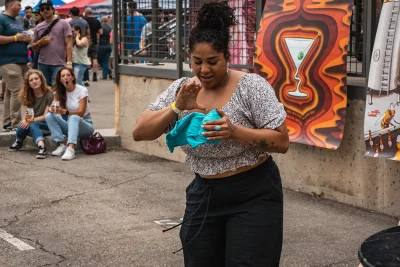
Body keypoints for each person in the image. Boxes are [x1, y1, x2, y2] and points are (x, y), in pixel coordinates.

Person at [132, 1, 289, 266]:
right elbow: (139, 132)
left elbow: (282, 141)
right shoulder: (183, 89)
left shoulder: (251, 86)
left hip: (254, 194)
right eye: (197, 62)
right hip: (203, 195)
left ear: (227, 56)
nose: (204, 70)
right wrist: (175, 108)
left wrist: (234, 131)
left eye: (212, 62)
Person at [45, 67, 94, 161]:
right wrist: (52, 109)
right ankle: (61, 144)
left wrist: (64, 111)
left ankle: (71, 149)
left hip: (86, 125)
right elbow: (54, 107)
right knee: (49, 116)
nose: (66, 77)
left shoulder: (82, 90)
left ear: (72, 77)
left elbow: (81, 112)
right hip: (71, 126)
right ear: (60, 80)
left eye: (68, 75)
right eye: (63, 76)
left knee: (74, 117)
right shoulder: (59, 92)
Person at [0, 0, 31, 131]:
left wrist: (25, 39)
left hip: (21, 60)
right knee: (18, 91)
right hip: (8, 60)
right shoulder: (1, 18)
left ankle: (7, 122)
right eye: (18, 5)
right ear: (10, 5)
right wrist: (15, 38)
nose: (20, 7)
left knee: (9, 92)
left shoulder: (18, 20)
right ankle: (16, 123)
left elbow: (19, 36)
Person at [9, 69, 54, 159]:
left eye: (36, 78)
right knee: (22, 125)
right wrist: (27, 120)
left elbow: (46, 116)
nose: (34, 81)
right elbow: (28, 114)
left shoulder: (49, 94)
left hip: (47, 125)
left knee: (32, 124)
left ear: (41, 79)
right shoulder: (27, 95)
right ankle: (19, 141)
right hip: (34, 123)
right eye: (31, 80)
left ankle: (42, 147)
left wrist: (30, 120)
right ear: (28, 83)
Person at [32, 0, 72, 87]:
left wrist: (69, 62)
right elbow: (34, 47)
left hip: (59, 63)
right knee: (45, 89)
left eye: (47, 8)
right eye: (42, 9)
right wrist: (40, 43)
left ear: (52, 9)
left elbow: (69, 44)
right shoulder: (38, 27)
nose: (45, 10)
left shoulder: (64, 23)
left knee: (57, 88)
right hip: (42, 63)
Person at [82, 8, 102, 85]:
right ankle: (94, 74)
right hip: (94, 42)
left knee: (86, 57)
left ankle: (87, 75)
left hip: (86, 41)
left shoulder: (84, 20)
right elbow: (101, 32)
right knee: (95, 58)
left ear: (86, 13)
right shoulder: (96, 21)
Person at [98, 16, 112, 80]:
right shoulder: (110, 27)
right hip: (109, 45)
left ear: (101, 20)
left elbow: (98, 36)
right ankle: (108, 72)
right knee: (106, 61)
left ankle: (105, 74)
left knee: (99, 60)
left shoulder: (100, 27)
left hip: (101, 45)